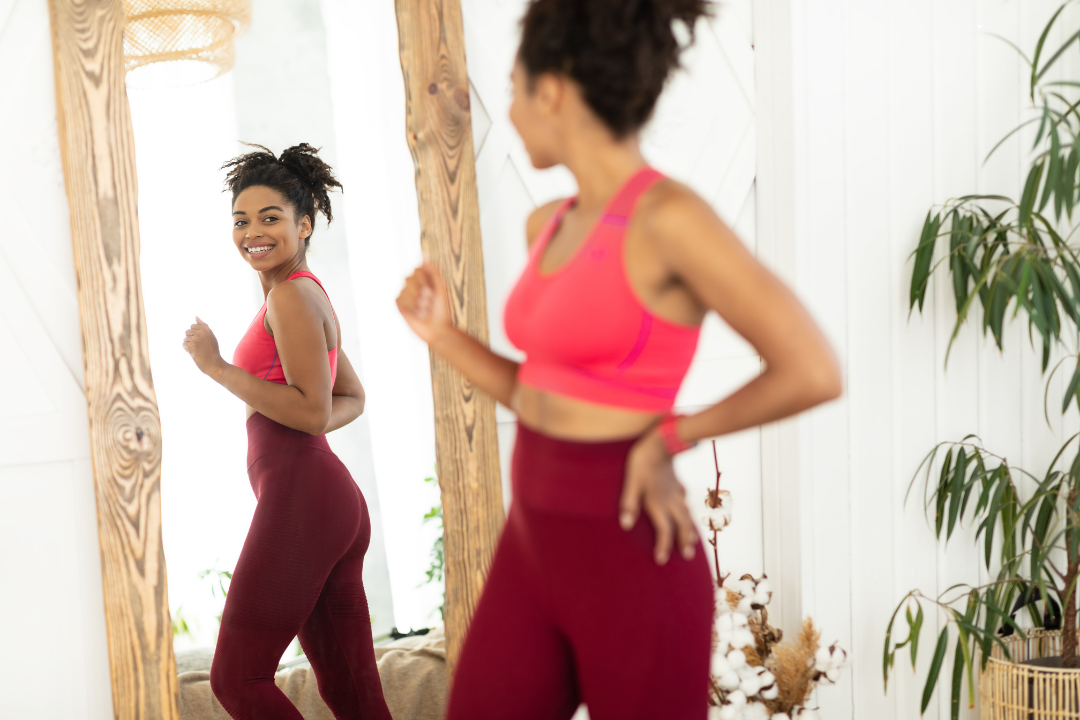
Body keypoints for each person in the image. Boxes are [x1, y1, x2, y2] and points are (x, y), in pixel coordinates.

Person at [395, 0, 843, 718]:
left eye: (512, 90)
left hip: (633, 559)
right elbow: (540, 393)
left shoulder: (670, 219)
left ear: (550, 92)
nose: (509, 112)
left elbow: (812, 369)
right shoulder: (549, 224)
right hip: (532, 547)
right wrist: (443, 335)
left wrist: (671, 435)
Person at [182, 143, 392, 720]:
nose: (252, 232)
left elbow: (313, 413)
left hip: (304, 494)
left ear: (304, 224)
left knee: (237, 678)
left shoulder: (291, 295)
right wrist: (308, 422)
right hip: (326, 499)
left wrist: (216, 367)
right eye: (240, 220)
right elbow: (350, 399)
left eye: (270, 217)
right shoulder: (301, 290)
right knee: (353, 695)